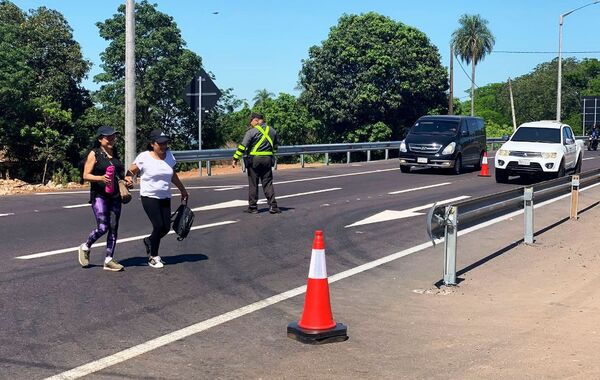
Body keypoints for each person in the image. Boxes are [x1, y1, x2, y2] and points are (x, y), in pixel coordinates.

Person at [125, 129, 189, 269]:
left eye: (165, 143)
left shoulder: (170, 157)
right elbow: (131, 171)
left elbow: (172, 175)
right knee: (158, 226)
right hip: (149, 196)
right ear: (152, 144)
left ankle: (149, 240)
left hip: (165, 196)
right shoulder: (144, 157)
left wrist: (182, 189)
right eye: (161, 143)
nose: (164, 146)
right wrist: (129, 177)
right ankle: (153, 256)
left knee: (166, 227)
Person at [79, 126, 132, 272]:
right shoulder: (94, 153)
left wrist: (126, 180)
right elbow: (86, 175)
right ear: (100, 139)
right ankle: (85, 246)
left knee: (114, 227)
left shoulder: (114, 153)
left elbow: (119, 175)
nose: (112, 139)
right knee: (103, 227)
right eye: (108, 137)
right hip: (100, 195)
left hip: (115, 196)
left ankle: (108, 260)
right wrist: (101, 178)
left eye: (113, 136)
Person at [232, 113, 281, 214]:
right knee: (267, 183)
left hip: (254, 160)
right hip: (268, 159)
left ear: (256, 120)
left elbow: (242, 146)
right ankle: (273, 206)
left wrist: (235, 158)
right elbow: (276, 146)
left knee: (253, 183)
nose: (251, 124)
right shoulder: (272, 131)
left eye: (251, 121)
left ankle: (253, 207)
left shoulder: (251, 132)